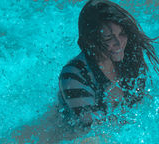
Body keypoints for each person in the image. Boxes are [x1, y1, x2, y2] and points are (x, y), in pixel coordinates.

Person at [58, 0, 159, 128]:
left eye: (122, 33)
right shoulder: (74, 76)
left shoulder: (128, 58)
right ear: (91, 40)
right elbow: (93, 132)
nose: (119, 43)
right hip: (72, 139)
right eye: (108, 38)